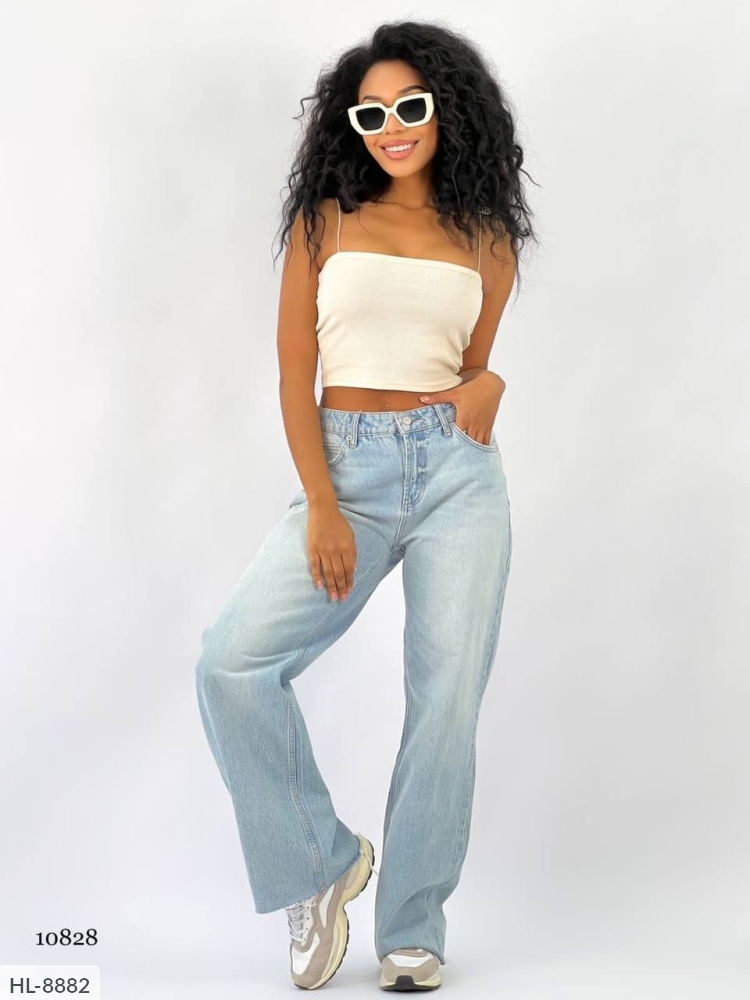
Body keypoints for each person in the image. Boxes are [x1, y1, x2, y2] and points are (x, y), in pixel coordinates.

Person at [195, 18, 537, 992]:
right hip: (345, 466)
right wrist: (322, 503)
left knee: (446, 700)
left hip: (459, 475)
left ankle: (413, 927)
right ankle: (321, 860)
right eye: (372, 113)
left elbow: (471, 367)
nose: (393, 127)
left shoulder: (488, 238)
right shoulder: (327, 223)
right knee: (231, 664)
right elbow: (293, 373)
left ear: (447, 111)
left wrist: (489, 386)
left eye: (410, 107)